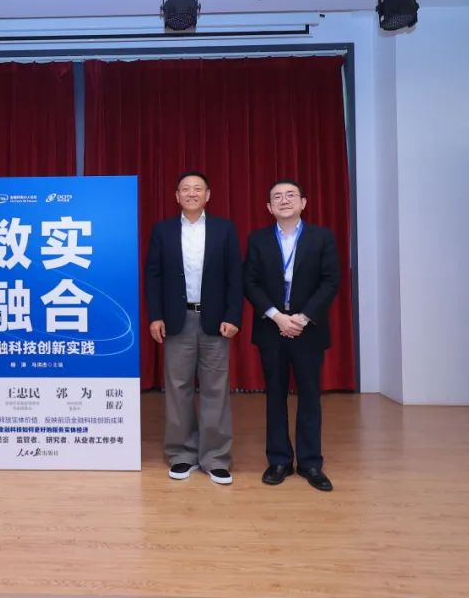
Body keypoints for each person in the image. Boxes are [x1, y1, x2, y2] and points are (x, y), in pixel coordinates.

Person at [144, 171, 243, 485]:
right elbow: (153, 276)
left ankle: (215, 457)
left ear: (207, 195)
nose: (191, 193)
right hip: (177, 320)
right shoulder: (163, 230)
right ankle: (182, 454)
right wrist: (156, 316)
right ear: (176, 196)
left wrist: (233, 316)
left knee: (216, 389)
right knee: (178, 388)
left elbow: (235, 276)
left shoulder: (224, 229)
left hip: (215, 320)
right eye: (185, 189)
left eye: (197, 189)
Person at [244, 179, 340, 492]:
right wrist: (277, 316)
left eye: (290, 195)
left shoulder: (322, 237)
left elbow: (330, 281)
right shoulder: (258, 239)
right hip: (272, 328)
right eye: (277, 197)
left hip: (308, 329)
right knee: (275, 395)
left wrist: (302, 317)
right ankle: (279, 460)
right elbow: (251, 283)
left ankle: (311, 463)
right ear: (269, 207)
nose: (284, 200)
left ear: (303, 203)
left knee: (310, 396)